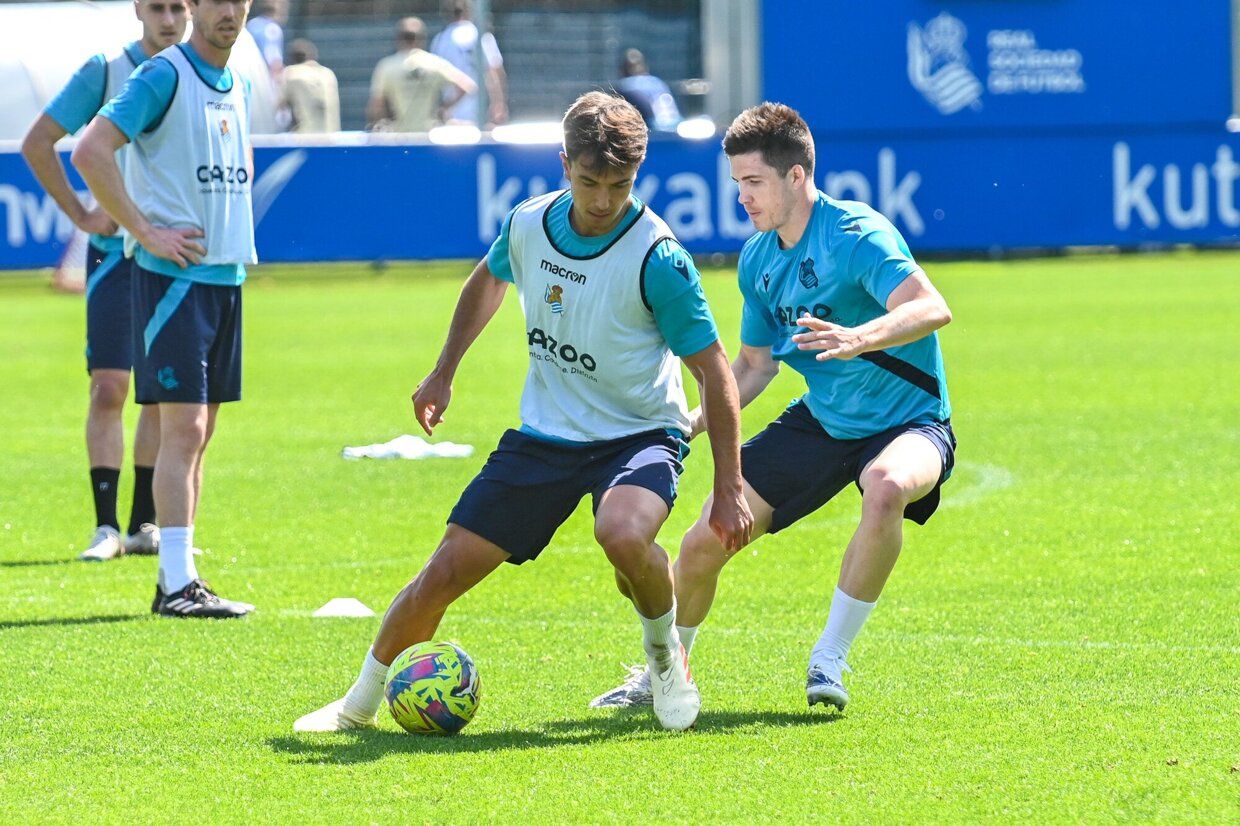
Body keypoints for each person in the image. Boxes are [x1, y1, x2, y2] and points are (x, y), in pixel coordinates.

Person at [294, 92, 753, 734]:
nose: (603, 200)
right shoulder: (528, 224)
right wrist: (443, 371)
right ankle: (357, 708)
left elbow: (715, 371)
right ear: (565, 164)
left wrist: (729, 486)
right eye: (589, 182)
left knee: (623, 536)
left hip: (640, 434)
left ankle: (665, 661)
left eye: (619, 185)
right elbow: (488, 280)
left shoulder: (659, 258)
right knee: (443, 572)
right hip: (546, 437)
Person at [592, 102, 955, 712]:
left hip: (911, 421)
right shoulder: (759, 260)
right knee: (703, 543)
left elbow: (931, 306)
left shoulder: (855, 234)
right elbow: (755, 366)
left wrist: (859, 337)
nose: (743, 197)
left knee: (888, 486)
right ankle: (662, 673)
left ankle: (829, 657)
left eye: (754, 182)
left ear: (796, 176)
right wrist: (689, 424)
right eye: (737, 183)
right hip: (824, 421)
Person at [71, 0, 259, 619]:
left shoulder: (239, 82)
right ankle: (173, 584)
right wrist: (146, 231)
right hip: (174, 281)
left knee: (200, 435)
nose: (229, 11)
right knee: (184, 430)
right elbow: (91, 150)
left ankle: (183, 576)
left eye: (238, 0)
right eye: (214, 0)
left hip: (224, 276)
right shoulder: (163, 74)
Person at [20, 0, 190, 562]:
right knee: (110, 385)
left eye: (179, 7)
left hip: (174, 255)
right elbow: (38, 141)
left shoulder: (199, 74)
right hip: (117, 255)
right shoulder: (107, 70)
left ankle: (145, 523)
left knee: (162, 390)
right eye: (159, 7)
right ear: (139, 9)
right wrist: (81, 214)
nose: (170, 19)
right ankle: (105, 526)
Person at [367, 16, 475, 133]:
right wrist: (444, 108)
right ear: (421, 39)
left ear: (398, 39)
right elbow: (468, 86)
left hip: (400, 134)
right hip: (428, 133)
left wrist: (380, 124)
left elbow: (376, 105)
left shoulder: (387, 66)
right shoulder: (434, 63)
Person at [430, 0, 507, 127]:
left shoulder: (440, 40)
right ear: (470, 12)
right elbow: (494, 71)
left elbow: (433, 77)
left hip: (451, 113)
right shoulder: (480, 36)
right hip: (479, 113)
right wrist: (498, 104)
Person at [615, 48, 681, 134]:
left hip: (653, 131)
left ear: (622, 70)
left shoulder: (625, 86)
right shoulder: (658, 82)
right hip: (676, 127)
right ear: (645, 67)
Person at [282, 38, 340, 134]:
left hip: (305, 137)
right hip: (332, 136)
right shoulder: (328, 74)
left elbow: (279, 105)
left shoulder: (291, 73)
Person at [245, 0, 286, 79]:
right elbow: (272, 57)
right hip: (264, 74)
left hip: (248, 70)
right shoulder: (272, 28)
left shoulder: (251, 24)